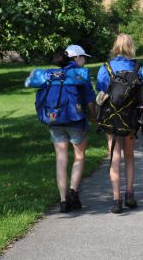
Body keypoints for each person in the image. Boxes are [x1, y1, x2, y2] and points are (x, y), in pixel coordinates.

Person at [96, 34, 143, 214]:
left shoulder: (106, 68)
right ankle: (130, 194)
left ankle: (116, 200)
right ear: (131, 47)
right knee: (129, 157)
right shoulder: (137, 68)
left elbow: (100, 90)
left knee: (114, 158)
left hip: (111, 118)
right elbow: (141, 94)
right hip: (130, 118)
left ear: (115, 47)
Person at [49, 45, 97, 213]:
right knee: (79, 156)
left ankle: (63, 201)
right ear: (76, 58)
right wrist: (94, 117)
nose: (85, 61)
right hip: (75, 120)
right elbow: (90, 100)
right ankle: (73, 192)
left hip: (54, 120)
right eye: (84, 57)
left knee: (61, 159)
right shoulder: (80, 74)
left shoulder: (54, 74)